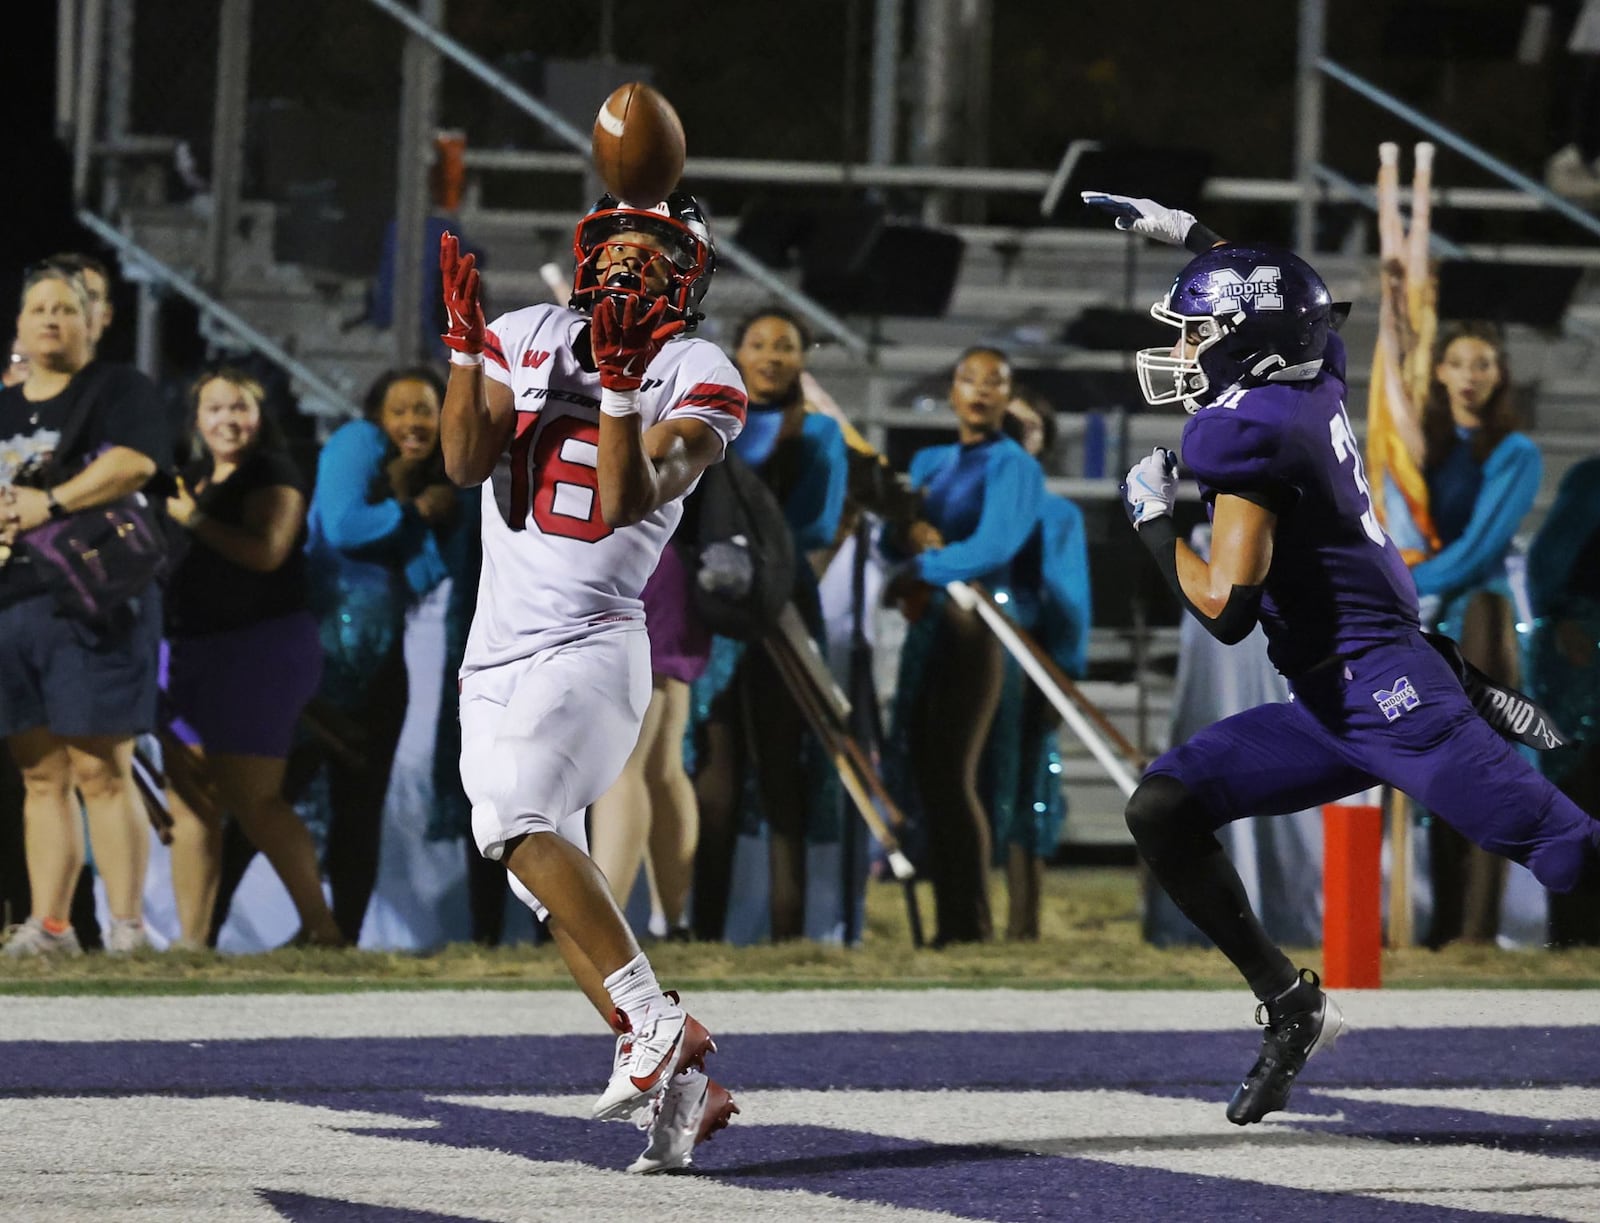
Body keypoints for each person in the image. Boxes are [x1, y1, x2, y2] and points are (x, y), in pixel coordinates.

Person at [1081, 189, 1600, 1125]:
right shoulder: (1310, 369)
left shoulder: (1241, 430)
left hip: (1391, 694)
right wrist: (1193, 237)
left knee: (1570, 853)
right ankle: (1290, 1003)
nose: (1185, 347)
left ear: (1247, 340)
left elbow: (1227, 609)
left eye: (1200, 330)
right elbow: (1279, 294)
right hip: (1335, 698)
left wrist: (1155, 525)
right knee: (1163, 805)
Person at [437, 190, 743, 1173]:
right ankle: (689, 1091)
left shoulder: (700, 370)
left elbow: (623, 501)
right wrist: (461, 351)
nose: (624, 261)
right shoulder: (526, 331)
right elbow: (461, 458)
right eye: (612, 242)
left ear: (687, 273)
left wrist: (615, 390)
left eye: (650, 249)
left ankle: (657, 1022)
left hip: (592, 641)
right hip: (491, 651)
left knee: (517, 817)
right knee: (542, 875)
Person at [0, 264, 170, 956]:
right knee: (41, 774)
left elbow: (137, 463)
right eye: (37, 307)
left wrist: (53, 501)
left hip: (93, 601)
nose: (50, 319)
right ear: (18, 324)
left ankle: (127, 926)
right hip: (13, 603)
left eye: (65, 308)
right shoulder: (5, 405)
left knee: (102, 766)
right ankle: (51, 926)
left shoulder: (117, 388)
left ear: (91, 322)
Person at [289, 365, 478, 944]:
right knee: (274, 795)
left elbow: (430, 571)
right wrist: (414, 511)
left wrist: (422, 506)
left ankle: (336, 937)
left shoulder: (435, 476)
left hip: (381, 664)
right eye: (400, 410)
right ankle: (207, 930)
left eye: (425, 409)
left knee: (360, 805)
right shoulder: (356, 441)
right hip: (322, 657)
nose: (413, 422)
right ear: (376, 417)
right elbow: (343, 528)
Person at [161, 368, 341, 949]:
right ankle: (191, 944)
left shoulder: (273, 473)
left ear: (260, 417)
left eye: (239, 407)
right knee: (189, 801)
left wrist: (193, 521)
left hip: (258, 650)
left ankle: (322, 928)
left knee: (255, 801)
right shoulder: (186, 479)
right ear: (195, 418)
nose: (227, 420)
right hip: (186, 651)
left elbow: (267, 553)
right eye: (214, 408)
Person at [690, 307, 848, 943]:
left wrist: (759, 548)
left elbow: (818, 524)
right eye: (759, 345)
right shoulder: (710, 422)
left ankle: (789, 937)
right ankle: (702, 931)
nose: (772, 357)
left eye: (785, 346)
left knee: (782, 770)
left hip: (783, 607)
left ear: (802, 359)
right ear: (737, 352)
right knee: (715, 769)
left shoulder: (819, 434)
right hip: (719, 610)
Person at [883, 347, 1046, 945]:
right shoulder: (931, 461)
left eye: (994, 382)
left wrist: (921, 562)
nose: (979, 391)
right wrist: (903, 534)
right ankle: (947, 919)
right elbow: (890, 544)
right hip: (928, 624)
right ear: (952, 390)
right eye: (968, 379)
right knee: (927, 771)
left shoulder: (1015, 466)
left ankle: (969, 922)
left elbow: (992, 547)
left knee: (955, 773)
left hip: (979, 629)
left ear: (1008, 397)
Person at [990, 396, 1091, 939]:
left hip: (1029, 665)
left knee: (1028, 784)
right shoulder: (968, 503)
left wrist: (1064, 677)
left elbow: (1069, 603)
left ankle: (1023, 919)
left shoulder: (1056, 514)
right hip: (969, 659)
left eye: (1027, 426)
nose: (1014, 433)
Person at [588, 541, 710, 939]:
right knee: (662, 765)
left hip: (631, 564)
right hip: (668, 566)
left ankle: (603, 931)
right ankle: (675, 923)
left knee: (622, 767)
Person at [1524, 455, 1600, 945]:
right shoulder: (1592, 479)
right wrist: (1562, 618)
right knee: (1580, 787)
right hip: (1583, 654)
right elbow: (1547, 563)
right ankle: (1574, 931)